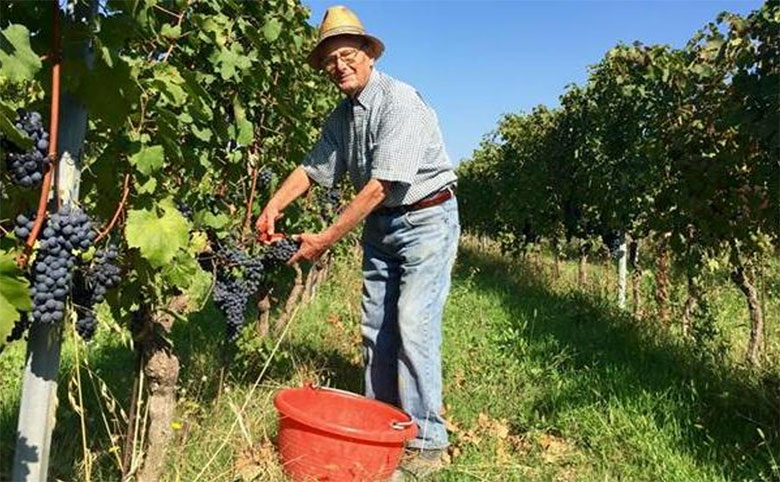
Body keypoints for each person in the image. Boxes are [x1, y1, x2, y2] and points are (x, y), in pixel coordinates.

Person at [255, 6, 459, 478]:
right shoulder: (342, 117)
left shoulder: (400, 102)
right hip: (381, 227)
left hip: (426, 219)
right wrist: (273, 205)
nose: (339, 66)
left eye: (348, 55)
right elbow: (312, 168)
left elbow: (379, 186)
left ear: (368, 55)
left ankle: (427, 442)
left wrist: (325, 238)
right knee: (375, 328)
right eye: (330, 60)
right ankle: (382, 425)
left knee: (412, 323)